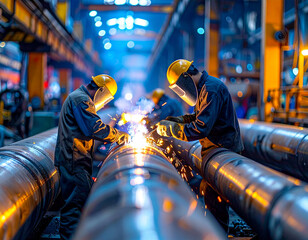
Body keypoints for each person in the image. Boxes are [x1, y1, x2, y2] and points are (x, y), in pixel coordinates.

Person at [156, 59, 244, 231]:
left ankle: (216, 234)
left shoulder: (211, 89)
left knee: (215, 200)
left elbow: (200, 128)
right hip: (215, 148)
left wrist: (173, 130)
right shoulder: (204, 88)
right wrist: (177, 120)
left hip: (224, 149)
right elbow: (197, 117)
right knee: (208, 194)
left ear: (185, 78)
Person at [55, 74, 130, 240]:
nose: (105, 102)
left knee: (78, 201)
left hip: (75, 157)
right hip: (73, 159)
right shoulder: (82, 100)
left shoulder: (79, 97)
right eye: (107, 97)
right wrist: (118, 135)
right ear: (101, 90)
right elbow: (94, 128)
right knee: (74, 207)